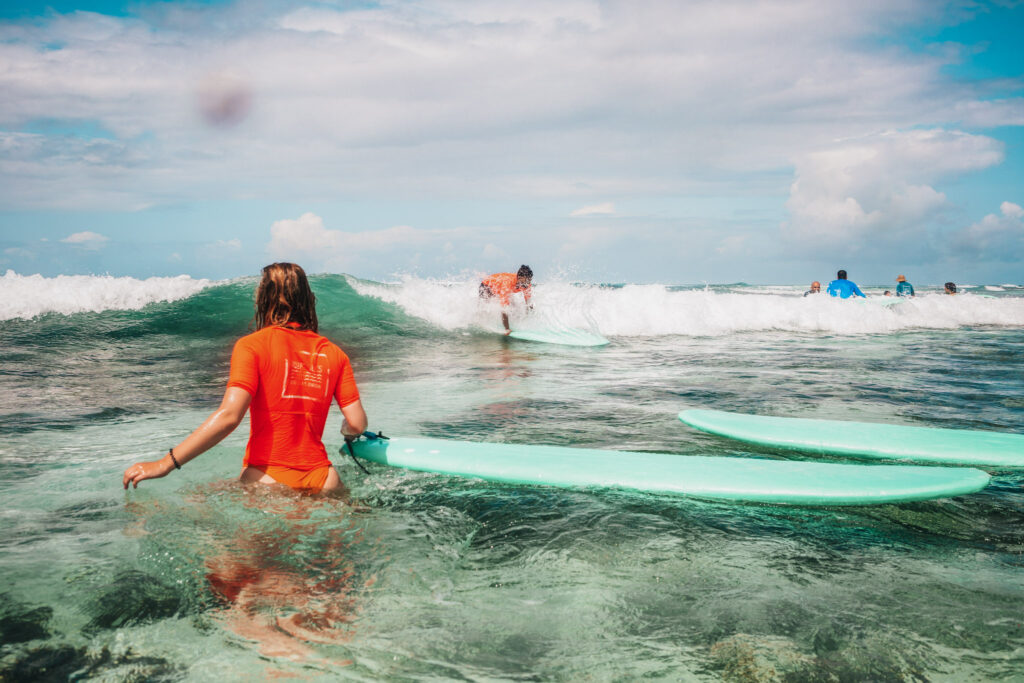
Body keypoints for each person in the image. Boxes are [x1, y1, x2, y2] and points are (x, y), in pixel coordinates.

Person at [123, 263, 368, 495]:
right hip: (324, 478)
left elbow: (230, 416)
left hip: (268, 478)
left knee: (196, 504)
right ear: (307, 299)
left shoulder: (252, 346)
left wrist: (166, 463)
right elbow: (357, 423)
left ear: (266, 299)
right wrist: (347, 431)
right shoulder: (335, 354)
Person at [479, 265, 533, 334]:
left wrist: (530, 319)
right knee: (487, 305)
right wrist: (507, 329)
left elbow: (528, 303)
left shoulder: (526, 284)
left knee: (514, 307)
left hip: (499, 286)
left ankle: (510, 323)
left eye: (530, 280)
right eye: (527, 280)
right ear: (519, 278)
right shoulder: (508, 283)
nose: (528, 283)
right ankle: (481, 320)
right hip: (487, 285)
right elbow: (504, 309)